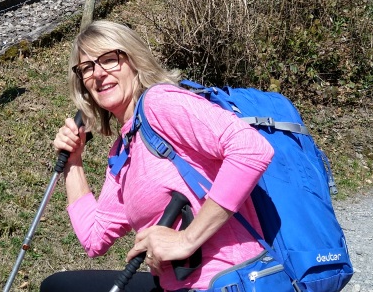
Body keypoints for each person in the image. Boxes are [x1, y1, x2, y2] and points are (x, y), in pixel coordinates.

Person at [41, 20, 274, 292]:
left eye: (109, 59)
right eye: (88, 67)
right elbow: (94, 238)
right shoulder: (124, 150)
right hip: (177, 285)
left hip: (227, 279)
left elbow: (251, 148)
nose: (99, 73)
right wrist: (73, 162)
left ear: (134, 60)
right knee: (60, 287)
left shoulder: (160, 103)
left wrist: (187, 239)